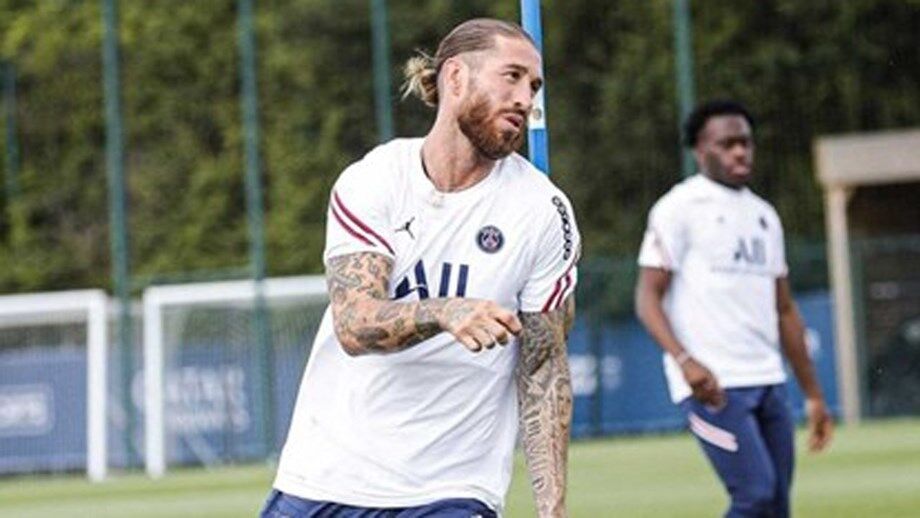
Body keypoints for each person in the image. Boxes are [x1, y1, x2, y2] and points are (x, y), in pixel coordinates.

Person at [262, 18, 580, 518]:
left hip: (451, 490)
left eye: (534, 86)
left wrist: (552, 509)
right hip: (327, 478)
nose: (525, 99)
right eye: (512, 77)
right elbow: (355, 324)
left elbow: (543, 367)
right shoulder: (375, 180)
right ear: (455, 77)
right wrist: (446, 312)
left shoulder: (545, 211)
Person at [634, 100, 834, 517]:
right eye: (727, 144)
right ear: (699, 150)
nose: (740, 152)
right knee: (754, 495)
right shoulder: (679, 207)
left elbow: (784, 309)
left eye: (746, 142)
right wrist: (685, 362)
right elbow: (647, 297)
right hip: (714, 384)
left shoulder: (765, 215)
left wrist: (814, 395)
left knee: (776, 506)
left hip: (768, 379)